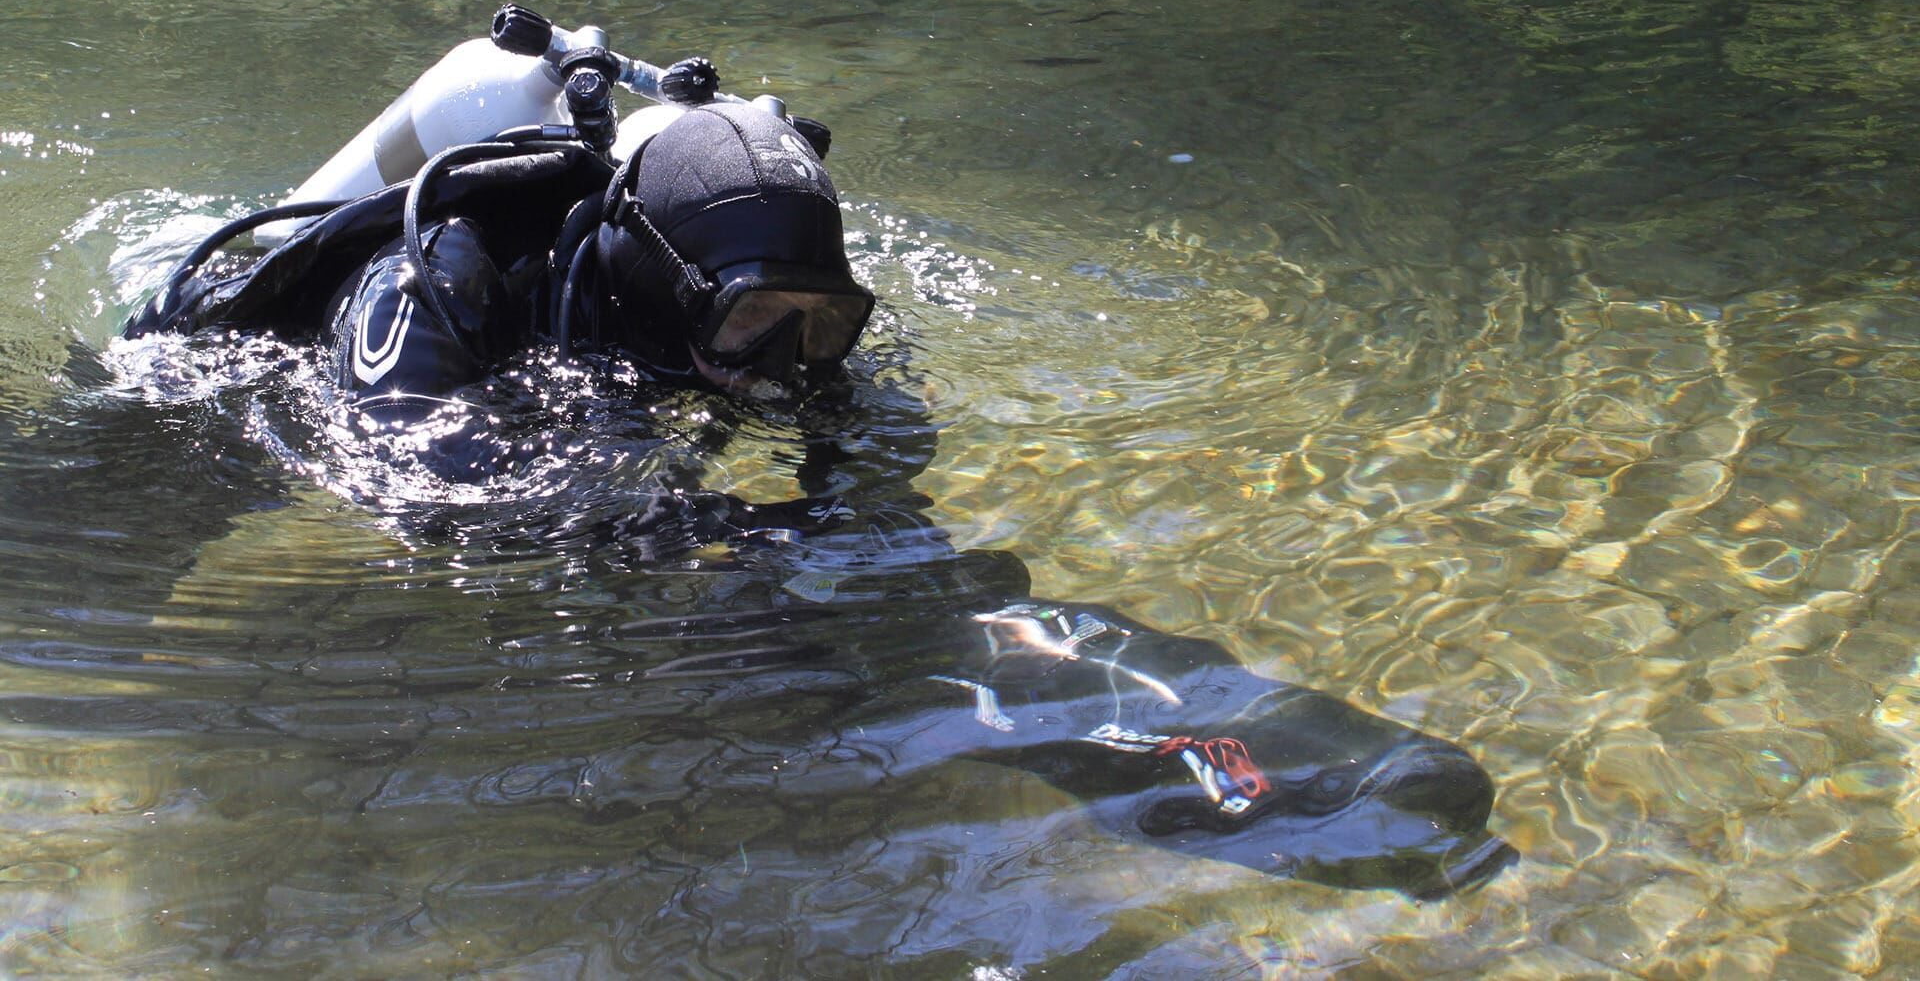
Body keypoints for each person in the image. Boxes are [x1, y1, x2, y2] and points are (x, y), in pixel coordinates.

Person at [123, 91, 1513, 897]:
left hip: (609, 384)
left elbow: (874, 434)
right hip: (207, 404)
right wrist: (660, 533)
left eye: (823, 326)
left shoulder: (770, 318)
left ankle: (1268, 766)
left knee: (872, 597)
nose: (792, 367)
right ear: (666, 287)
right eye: (759, 329)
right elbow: (411, 493)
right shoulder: (442, 286)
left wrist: (868, 546)